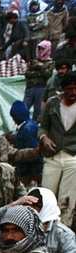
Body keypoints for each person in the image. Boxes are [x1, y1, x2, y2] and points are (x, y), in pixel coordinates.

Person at [39, 71, 76, 227]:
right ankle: (42, 229)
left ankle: (63, 231)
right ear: (63, 89)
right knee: (46, 196)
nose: (73, 93)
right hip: (52, 156)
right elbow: (42, 127)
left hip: (72, 158)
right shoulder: (52, 104)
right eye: (69, 89)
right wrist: (44, 138)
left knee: (67, 200)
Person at [25, 187, 76, 253]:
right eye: (29, 205)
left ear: (47, 207)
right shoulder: (22, 227)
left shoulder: (64, 234)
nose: (31, 210)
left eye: (36, 206)